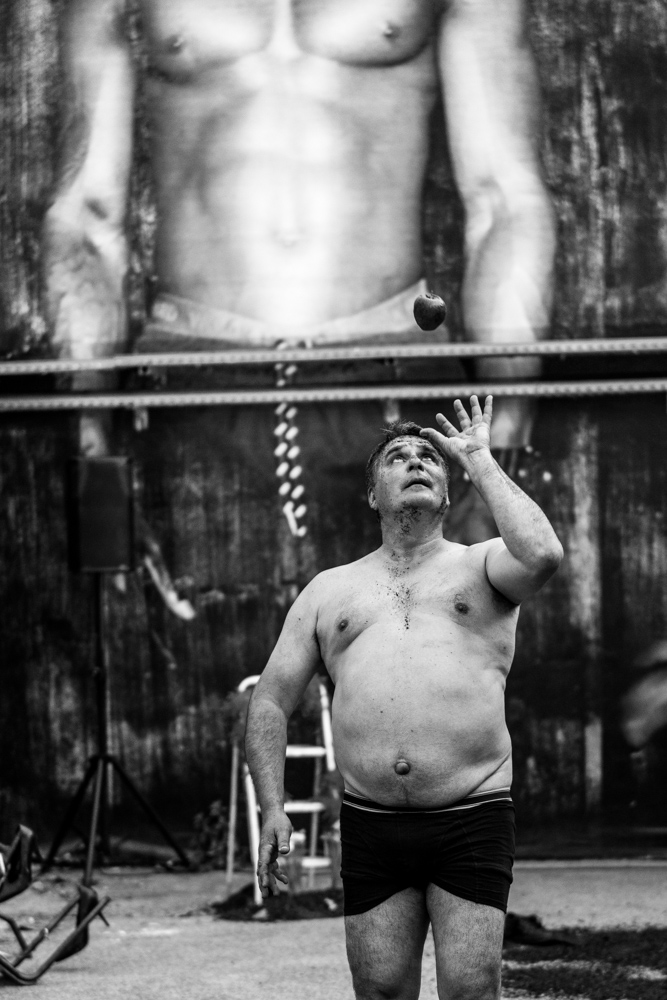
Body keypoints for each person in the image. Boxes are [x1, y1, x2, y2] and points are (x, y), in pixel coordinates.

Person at [42, 0, 555, 495]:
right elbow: (87, 214)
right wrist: (91, 445)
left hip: (391, 365)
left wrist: (505, 448)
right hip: (190, 369)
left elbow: (503, 199)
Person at [245, 394, 563, 1000]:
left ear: (446, 493)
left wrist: (478, 459)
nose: (416, 461)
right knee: (382, 992)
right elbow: (270, 701)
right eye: (397, 457)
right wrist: (272, 805)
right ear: (373, 495)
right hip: (372, 824)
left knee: (470, 991)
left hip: (471, 814)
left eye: (429, 457)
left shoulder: (483, 566)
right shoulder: (328, 590)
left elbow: (544, 554)